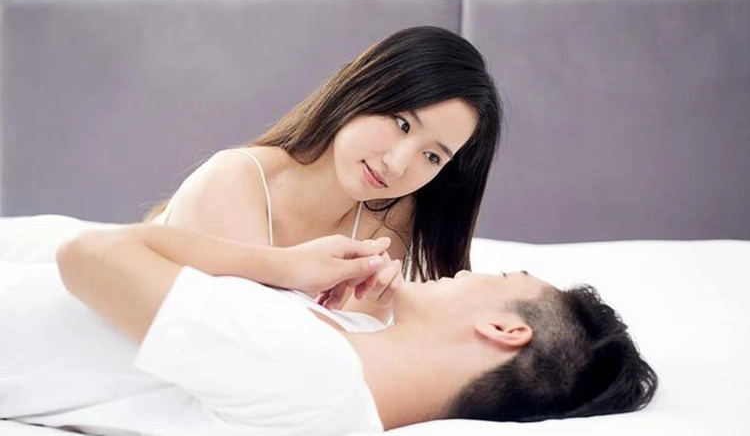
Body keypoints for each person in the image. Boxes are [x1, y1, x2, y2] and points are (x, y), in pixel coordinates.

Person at [1, 224, 657, 435]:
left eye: (505, 274)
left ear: (502, 327)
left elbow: (86, 256)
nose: (470, 271)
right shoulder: (336, 357)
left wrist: (277, 263)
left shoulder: (315, 372)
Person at [142, 25, 503, 322]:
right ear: (362, 88)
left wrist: (382, 302)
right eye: (401, 123)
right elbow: (258, 347)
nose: (397, 164)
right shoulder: (232, 181)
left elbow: (344, 357)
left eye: (432, 156)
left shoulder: (388, 214)